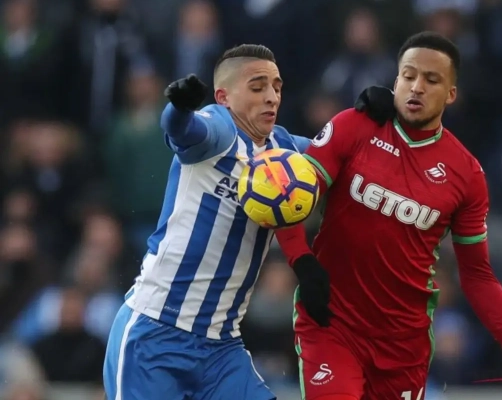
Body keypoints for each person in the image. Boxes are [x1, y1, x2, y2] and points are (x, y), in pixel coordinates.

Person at [275, 32, 502, 400]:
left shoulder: (466, 174)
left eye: (431, 79)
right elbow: (290, 199)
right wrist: (302, 262)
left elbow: (476, 274)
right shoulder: (354, 126)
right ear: (396, 81)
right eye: (408, 76)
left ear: (451, 94)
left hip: (403, 344)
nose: (417, 87)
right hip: (333, 324)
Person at [102, 43, 386, 400]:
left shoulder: (285, 151)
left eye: (277, 87)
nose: (271, 97)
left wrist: (371, 115)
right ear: (223, 97)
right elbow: (182, 129)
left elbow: (340, 150)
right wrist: (179, 107)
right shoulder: (219, 130)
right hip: (156, 334)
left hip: (221, 349)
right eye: (257, 87)